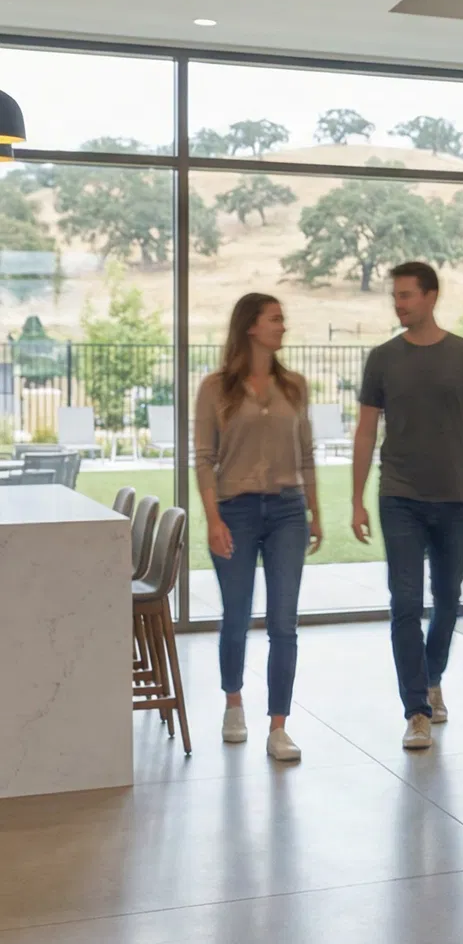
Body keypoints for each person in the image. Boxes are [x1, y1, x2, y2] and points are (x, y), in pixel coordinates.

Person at [350, 261, 463, 752]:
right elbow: (367, 431)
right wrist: (356, 498)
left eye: (407, 295)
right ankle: (416, 709)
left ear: (432, 297)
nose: (399, 303)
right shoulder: (382, 359)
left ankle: (432, 678)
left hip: (453, 497)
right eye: (395, 296)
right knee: (406, 602)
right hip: (399, 497)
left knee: (450, 600)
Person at [193, 293, 322, 763]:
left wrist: (315, 511)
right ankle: (233, 702)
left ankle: (279, 726)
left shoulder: (294, 387)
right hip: (235, 511)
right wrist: (212, 520)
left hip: (288, 510)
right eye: (275, 319)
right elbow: (204, 461)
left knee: (284, 622)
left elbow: (307, 453)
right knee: (236, 615)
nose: (283, 326)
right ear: (250, 326)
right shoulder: (214, 389)